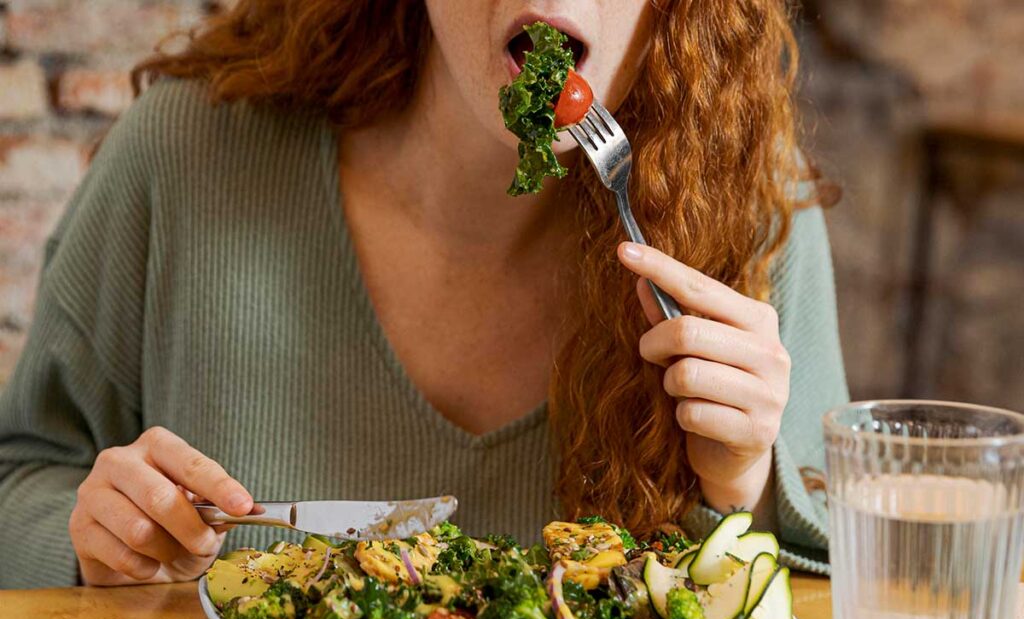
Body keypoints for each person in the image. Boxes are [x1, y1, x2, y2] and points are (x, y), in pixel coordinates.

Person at [0, 0, 847, 589]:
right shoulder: (182, 158)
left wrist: (744, 489)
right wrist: (94, 542)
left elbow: (834, 579)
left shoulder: (754, 216)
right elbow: (18, 483)